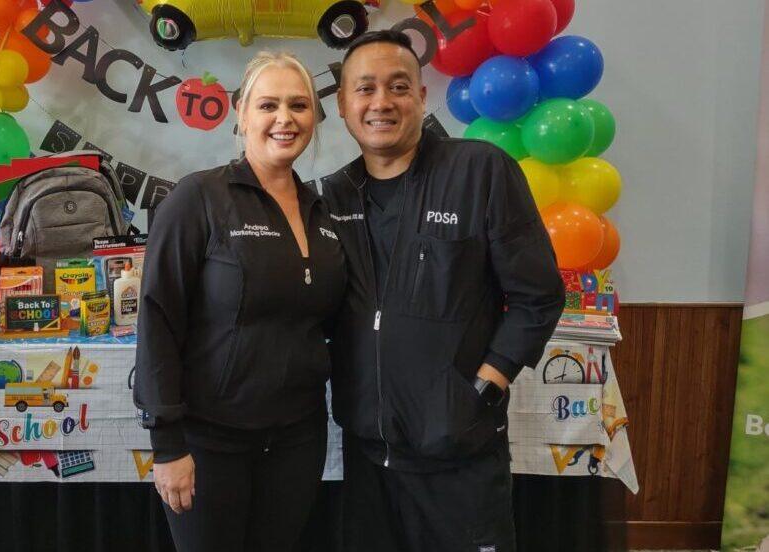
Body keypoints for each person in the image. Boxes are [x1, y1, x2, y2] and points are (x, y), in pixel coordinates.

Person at [322, 30, 566, 551]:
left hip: (459, 454)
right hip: (368, 455)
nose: (381, 102)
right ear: (343, 103)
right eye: (364, 89)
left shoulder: (479, 170)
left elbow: (538, 296)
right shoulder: (334, 193)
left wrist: (483, 386)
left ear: (421, 96)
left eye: (398, 86)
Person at [132, 51, 347, 552]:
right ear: (241, 113)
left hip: (297, 437)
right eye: (268, 104)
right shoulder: (199, 199)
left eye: (299, 105)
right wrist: (167, 444)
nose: (284, 119)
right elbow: (158, 321)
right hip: (210, 442)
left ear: (314, 117)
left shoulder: (325, 211)